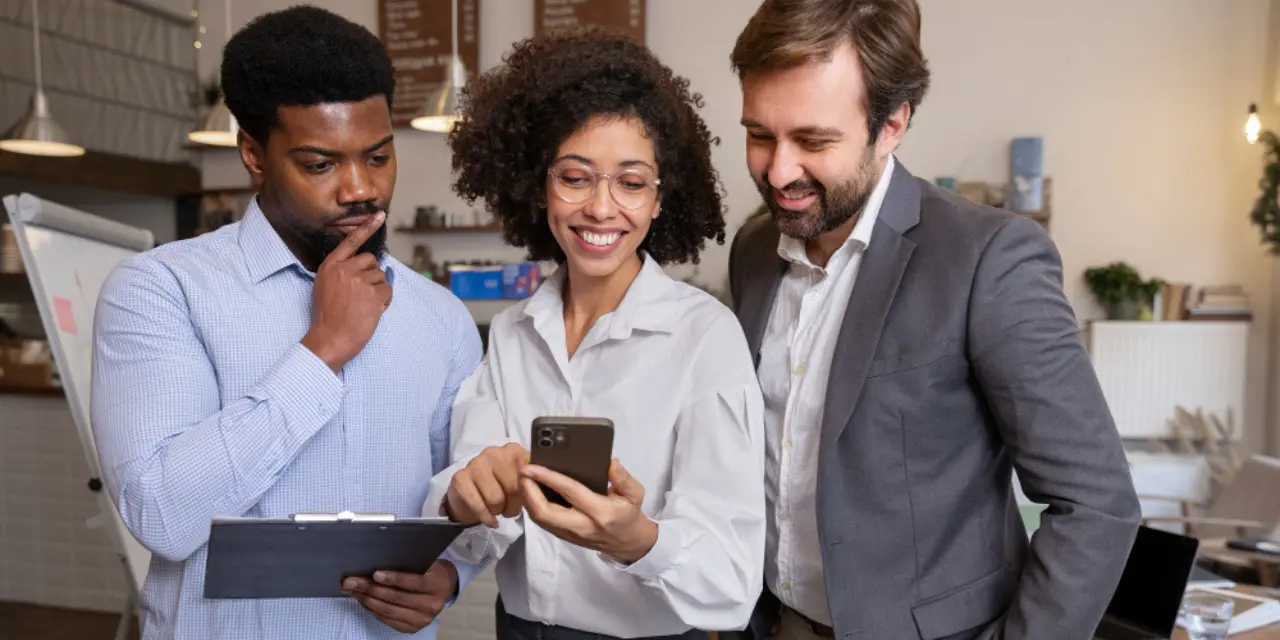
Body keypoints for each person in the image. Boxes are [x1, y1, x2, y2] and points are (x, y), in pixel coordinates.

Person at [725, 1, 1142, 639]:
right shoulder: (754, 251)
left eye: (814, 140)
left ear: (892, 123)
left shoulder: (989, 258)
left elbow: (1097, 505)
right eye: (760, 135)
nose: (780, 171)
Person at [90, 7, 481, 639]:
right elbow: (162, 515)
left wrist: (453, 574)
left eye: (378, 157)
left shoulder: (441, 317)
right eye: (321, 164)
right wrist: (322, 349)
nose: (361, 189)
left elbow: (462, 499)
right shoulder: (161, 291)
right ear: (254, 154)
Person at [420, 28, 767, 640]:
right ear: (538, 184)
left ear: (661, 198)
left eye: (631, 182)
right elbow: (478, 529)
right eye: (575, 177)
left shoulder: (704, 338)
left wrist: (638, 541)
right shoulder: (511, 334)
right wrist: (463, 496)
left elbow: (732, 581)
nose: (602, 209)